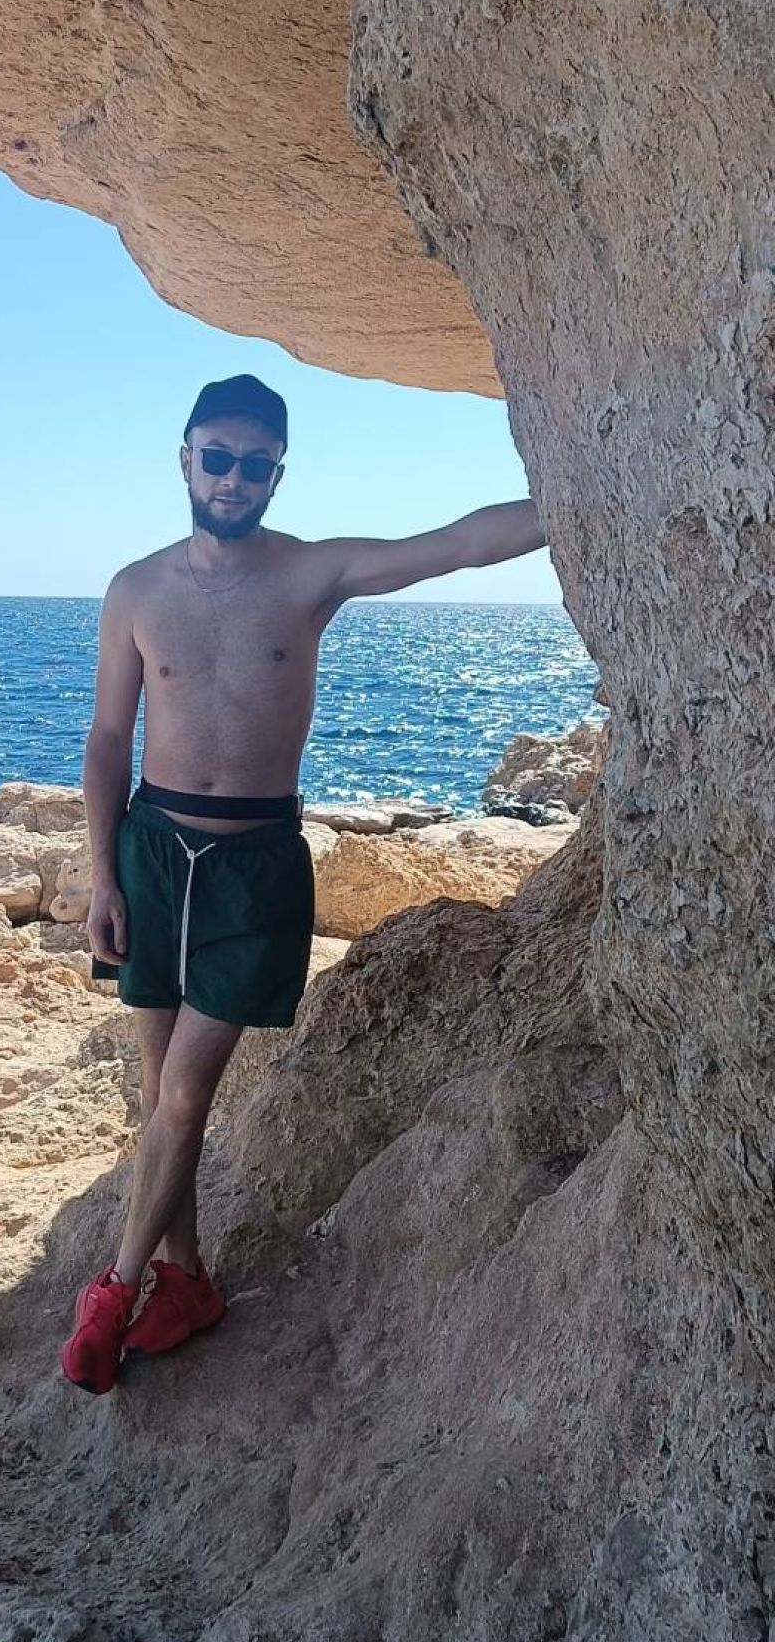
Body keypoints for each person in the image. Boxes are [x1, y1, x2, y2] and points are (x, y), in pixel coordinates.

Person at [60, 370, 547, 1392]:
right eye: (217, 458)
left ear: (277, 475)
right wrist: (102, 875)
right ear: (185, 458)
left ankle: (113, 1288)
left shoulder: (310, 574)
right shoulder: (135, 590)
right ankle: (186, 1282)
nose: (232, 479)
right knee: (158, 1091)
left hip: (255, 865)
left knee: (183, 1093)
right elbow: (107, 740)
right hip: (153, 854)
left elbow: (455, 543)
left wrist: (579, 493)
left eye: (255, 465)